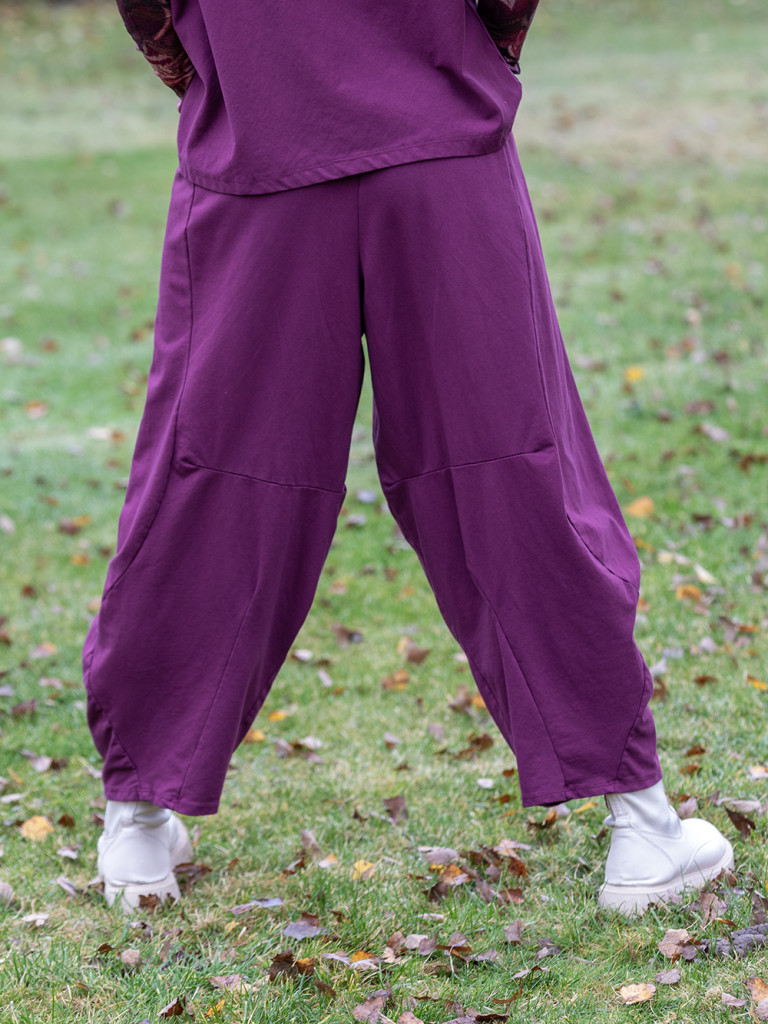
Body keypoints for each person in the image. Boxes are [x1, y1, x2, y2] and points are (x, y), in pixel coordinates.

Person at [88, 0, 733, 916]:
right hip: (434, 127)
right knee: (509, 464)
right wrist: (477, 45)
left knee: (210, 476)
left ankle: (138, 820)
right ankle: (642, 823)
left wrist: (208, 63)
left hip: (262, 132)